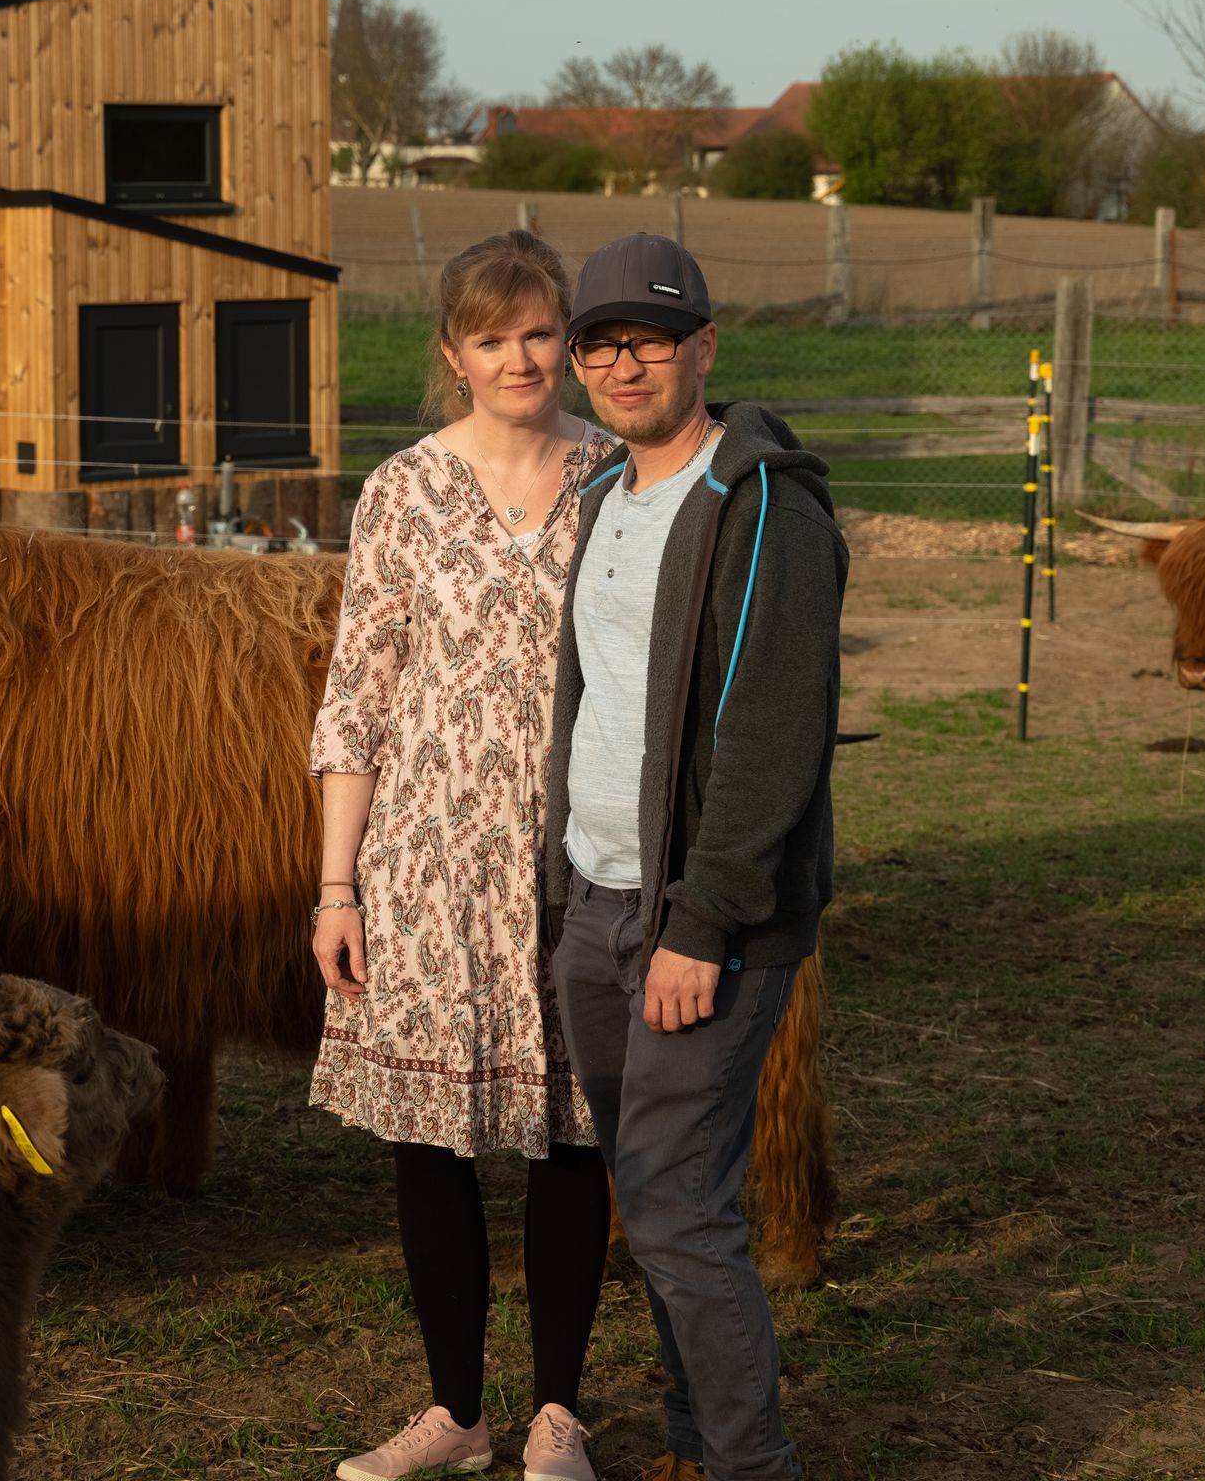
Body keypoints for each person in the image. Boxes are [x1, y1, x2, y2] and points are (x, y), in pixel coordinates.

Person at [310, 229, 615, 1481]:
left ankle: (556, 1415)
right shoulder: (401, 490)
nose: (520, 357)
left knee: (572, 1132)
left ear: (570, 342)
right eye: (491, 338)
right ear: (453, 355)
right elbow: (359, 693)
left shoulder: (616, 479)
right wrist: (337, 884)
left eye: (539, 331)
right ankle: (454, 1415)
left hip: (576, 858)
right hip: (425, 863)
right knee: (430, 1141)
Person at [543, 232, 848, 1481]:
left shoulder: (764, 503)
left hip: (697, 922)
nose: (626, 364)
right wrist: (571, 895)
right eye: (602, 342)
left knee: (676, 1207)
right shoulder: (604, 494)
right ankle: (688, 1441)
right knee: (654, 1201)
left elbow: (774, 736)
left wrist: (702, 922)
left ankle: (747, 1464)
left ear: (704, 348)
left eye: (653, 339)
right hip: (595, 905)